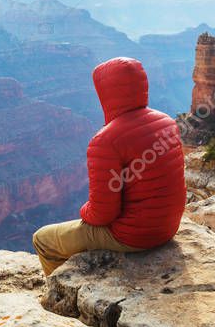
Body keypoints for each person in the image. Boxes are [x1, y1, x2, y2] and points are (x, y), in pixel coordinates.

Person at [32, 57, 186, 275]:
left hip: (134, 236)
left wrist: (83, 210)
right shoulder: (167, 122)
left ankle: (57, 293)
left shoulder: (105, 141)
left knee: (42, 239)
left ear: (106, 92)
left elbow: (102, 214)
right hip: (168, 227)